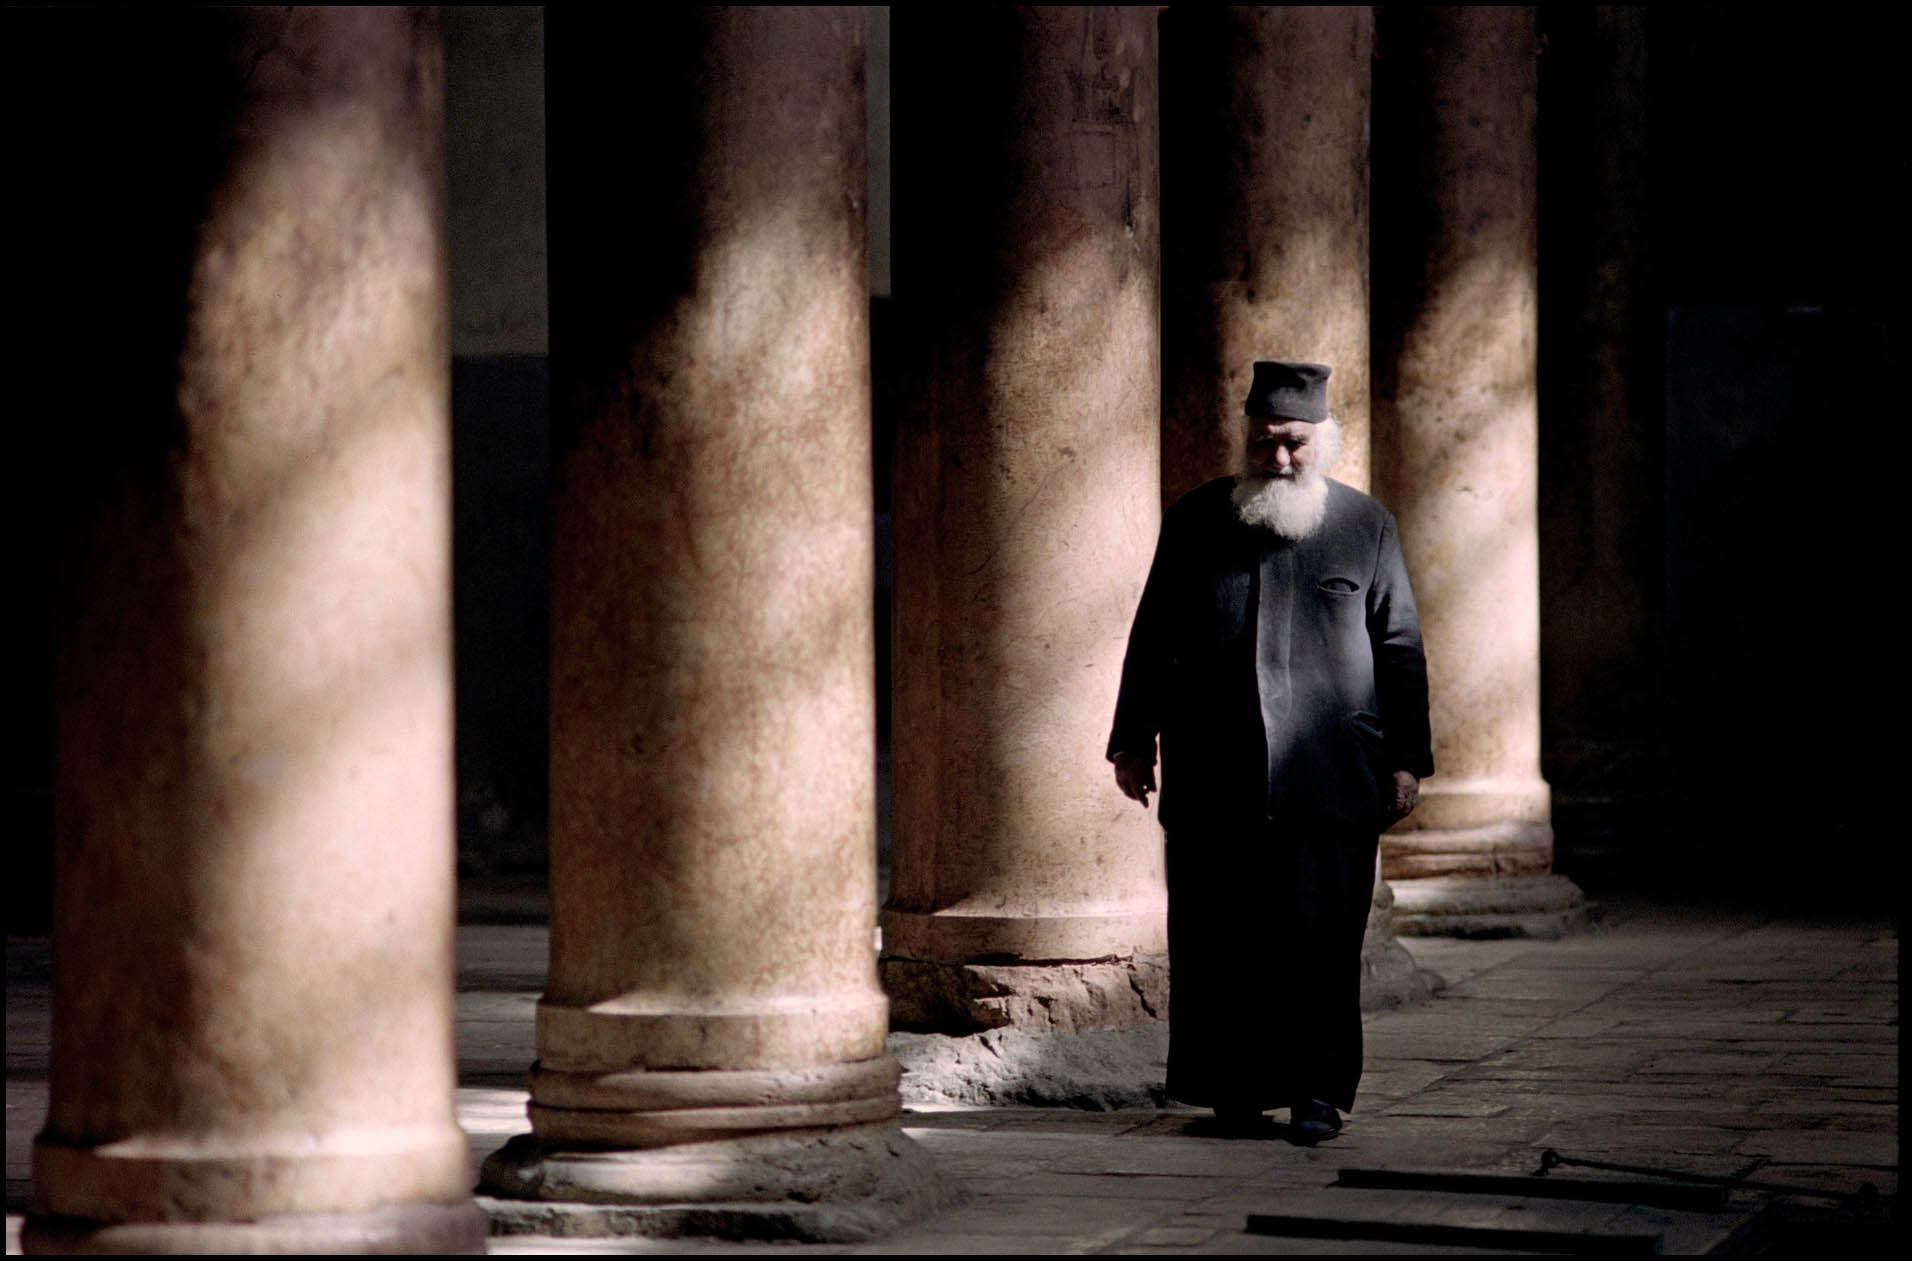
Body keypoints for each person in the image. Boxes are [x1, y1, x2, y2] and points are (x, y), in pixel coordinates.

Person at [1107, 360, 1433, 1142]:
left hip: (1330, 778)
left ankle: (1319, 1095)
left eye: (1292, 445)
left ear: (1321, 442)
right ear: (1244, 439)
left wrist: (1407, 758)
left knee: (1321, 940)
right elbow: (1152, 637)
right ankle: (1233, 1093)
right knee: (1221, 939)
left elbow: (1400, 649)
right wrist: (1132, 740)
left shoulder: (1367, 525)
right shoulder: (1195, 521)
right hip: (1216, 774)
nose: (1277, 460)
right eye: (1263, 445)